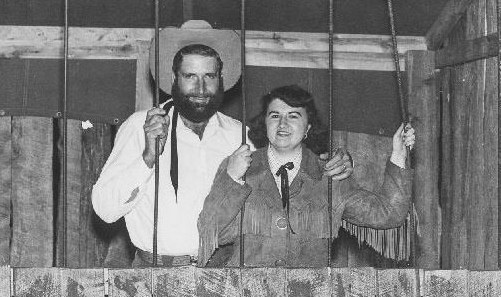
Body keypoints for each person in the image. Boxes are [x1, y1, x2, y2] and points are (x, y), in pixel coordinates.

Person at [92, 21, 355, 265]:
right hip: (155, 277)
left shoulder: (241, 135)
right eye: (190, 76)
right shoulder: (140, 127)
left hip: (225, 275)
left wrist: (329, 166)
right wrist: (148, 157)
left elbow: (289, 175)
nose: (201, 88)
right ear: (173, 79)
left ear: (221, 79)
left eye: (209, 76)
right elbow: (105, 211)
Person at [197, 84, 414, 268]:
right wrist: (232, 179)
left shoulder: (330, 174)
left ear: (308, 127)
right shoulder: (237, 169)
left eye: (293, 116)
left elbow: (389, 214)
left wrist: (398, 155)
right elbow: (210, 232)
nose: (282, 124)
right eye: (275, 116)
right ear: (265, 123)